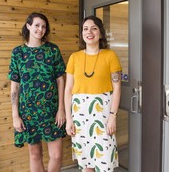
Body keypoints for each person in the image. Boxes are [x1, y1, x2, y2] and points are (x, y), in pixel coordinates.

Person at [8, 12, 66, 172]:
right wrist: (15, 116)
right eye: (37, 25)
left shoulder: (52, 50)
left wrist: (61, 109)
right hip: (28, 112)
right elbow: (15, 87)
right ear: (28, 26)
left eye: (43, 26)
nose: (40, 29)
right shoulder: (17, 53)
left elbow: (60, 80)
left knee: (56, 155)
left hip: (52, 110)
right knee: (35, 155)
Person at [64, 15, 122, 172]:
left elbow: (117, 88)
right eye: (85, 28)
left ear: (101, 33)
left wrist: (112, 117)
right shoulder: (74, 58)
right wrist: (69, 119)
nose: (89, 32)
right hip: (80, 116)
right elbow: (68, 90)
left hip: (103, 116)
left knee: (104, 162)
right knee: (86, 162)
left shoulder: (110, 56)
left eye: (94, 28)